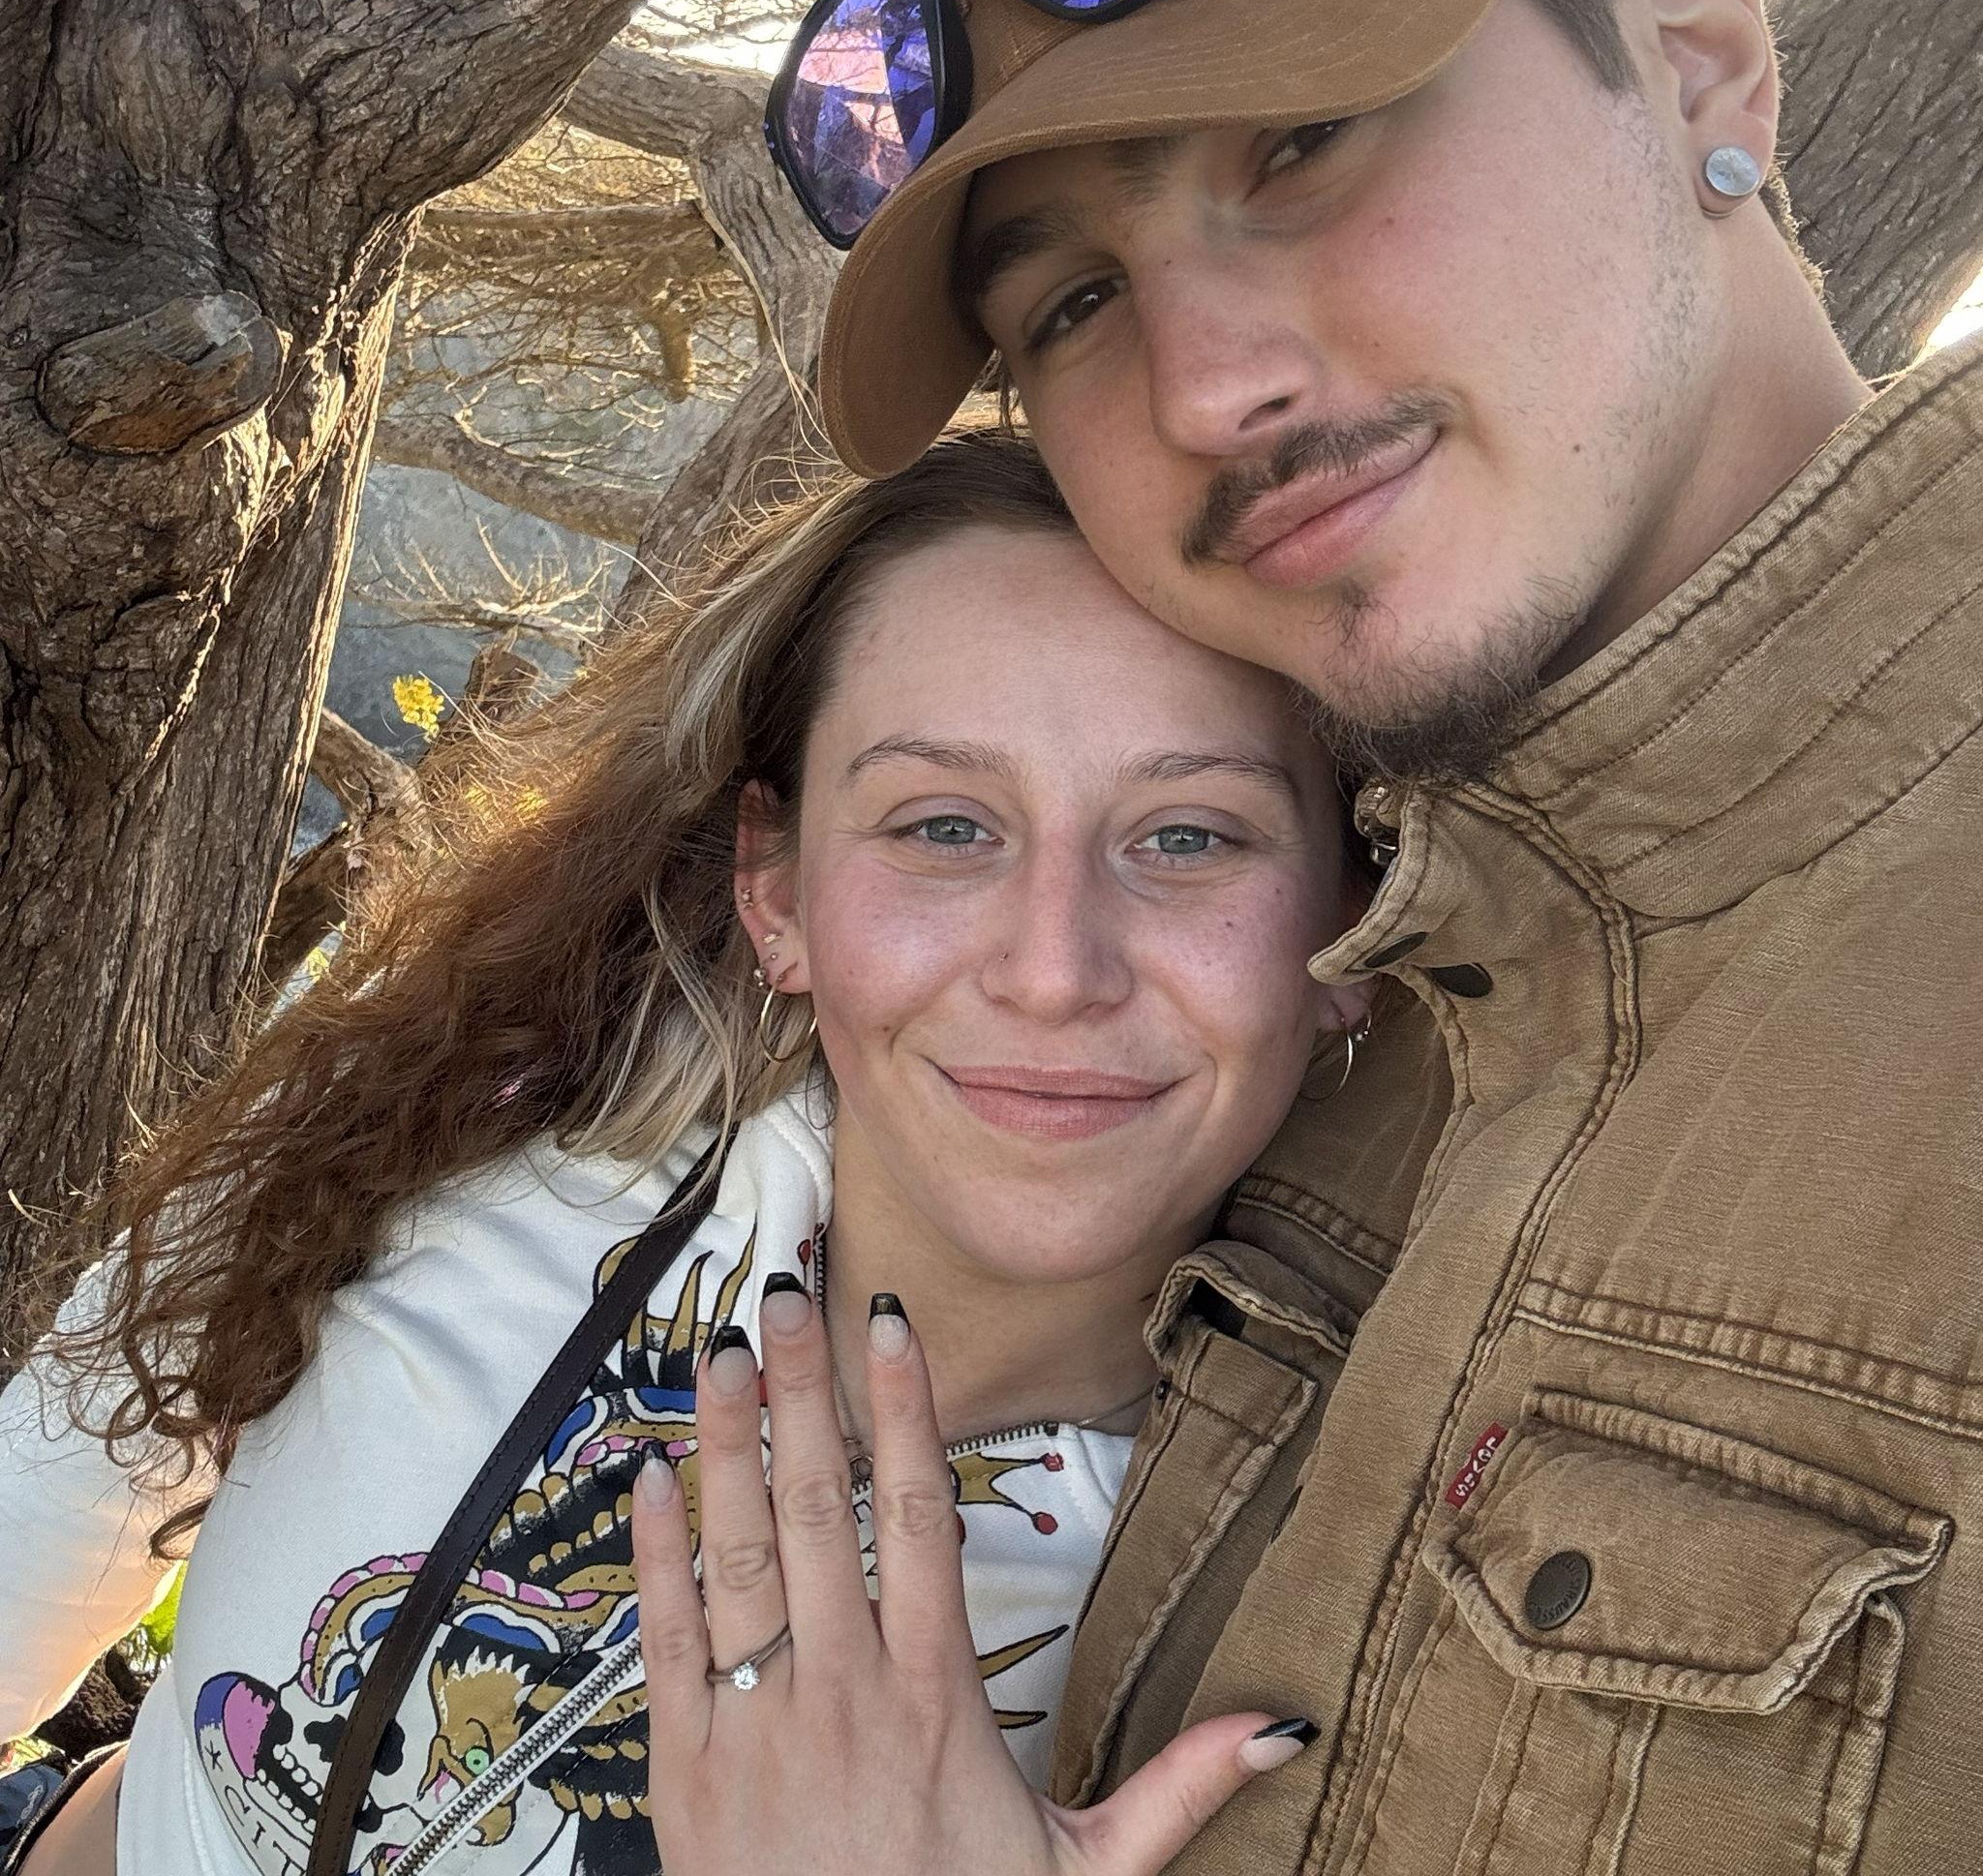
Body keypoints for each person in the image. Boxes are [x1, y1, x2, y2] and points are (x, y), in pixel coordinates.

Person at [699, 0, 1983, 1869]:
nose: (1206, 389)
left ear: (1697, 59)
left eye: (1300, 143)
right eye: (1070, 305)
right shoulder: (1283, 1000)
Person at [0, 430, 1372, 1875]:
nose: (1052, 969)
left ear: (1358, 920)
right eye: (945, 825)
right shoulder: (442, 1136)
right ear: (775, 891)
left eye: (1190, 837)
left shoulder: (1288, 1615)